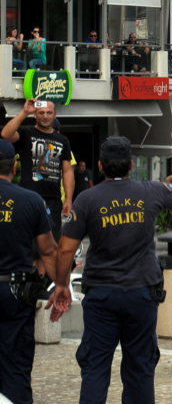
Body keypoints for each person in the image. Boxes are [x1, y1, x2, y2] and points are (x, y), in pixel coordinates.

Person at [50, 136, 172, 404]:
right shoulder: (151, 191)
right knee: (140, 368)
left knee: (95, 367)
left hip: (102, 294)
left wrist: (61, 285)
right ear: (130, 165)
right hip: (142, 293)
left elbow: (65, 249)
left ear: (101, 166)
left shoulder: (86, 199)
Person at [0, 139, 58, 404]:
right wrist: (60, 285)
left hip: (15, 290)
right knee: (16, 369)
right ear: (14, 167)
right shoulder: (31, 200)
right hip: (15, 292)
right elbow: (48, 251)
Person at [1, 99, 74, 242]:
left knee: (51, 244)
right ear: (35, 114)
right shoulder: (26, 134)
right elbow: (5, 134)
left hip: (53, 201)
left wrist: (69, 200)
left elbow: (67, 171)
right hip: (27, 197)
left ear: (55, 114)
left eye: (49, 113)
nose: (45, 116)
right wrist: (25, 112)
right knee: (27, 241)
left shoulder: (63, 140)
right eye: (41, 112)